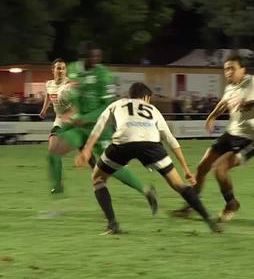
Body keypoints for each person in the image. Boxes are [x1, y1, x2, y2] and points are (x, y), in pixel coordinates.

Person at [75, 82, 221, 234]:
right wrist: (185, 169)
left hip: (124, 142)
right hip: (151, 145)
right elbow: (170, 139)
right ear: (146, 97)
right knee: (178, 184)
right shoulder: (153, 109)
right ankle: (208, 219)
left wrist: (87, 149)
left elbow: (100, 125)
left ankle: (112, 224)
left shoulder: (118, 104)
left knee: (98, 178)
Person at [49, 42, 156, 212]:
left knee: (112, 168)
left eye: (98, 56)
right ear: (84, 56)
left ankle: (145, 191)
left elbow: (107, 105)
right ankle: (57, 189)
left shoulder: (103, 75)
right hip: (79, 127)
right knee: (54, 150)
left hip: (100, 128)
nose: (97, 59)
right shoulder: (73, 69)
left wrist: (84, 117)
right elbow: (75, 94)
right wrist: (72, 112)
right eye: (93, 56)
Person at [171, 53, 254, 221]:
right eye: (226, 69)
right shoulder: (231, 87)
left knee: (220, 169)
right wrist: (212, 117)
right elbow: (223, 103)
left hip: (252, 138)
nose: (229, 72)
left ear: (242, 69)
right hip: (232, 133)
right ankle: (192, 206)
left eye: (232, 68)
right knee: (202, 167)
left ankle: (231, 203)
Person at [39, 58, 72, 193]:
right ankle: (58, 185)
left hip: (73, 121)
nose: (61, 71)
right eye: (58, 68)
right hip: (59, 120)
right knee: (52, 151)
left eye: (63, 68)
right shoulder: (49, 84)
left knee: (88, 154)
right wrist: (44, 109)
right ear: (53, 70)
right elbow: (48, 95)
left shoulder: (70, 84)